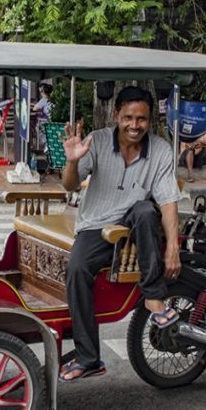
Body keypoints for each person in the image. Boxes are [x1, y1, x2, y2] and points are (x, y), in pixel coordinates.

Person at [59, 86, 183, 382]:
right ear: (117, 115)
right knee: (76, 269)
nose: (134, 125)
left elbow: (167, 202)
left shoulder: (161, 150)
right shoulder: (98, 141)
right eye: (128, 117)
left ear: (150, 120)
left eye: (141, 119)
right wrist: (73, 160)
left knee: (144, 209)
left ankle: (154, 296)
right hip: (96, 226)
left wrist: (173, 248)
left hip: (135, 224)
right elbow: (69, 186)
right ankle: (89, 358)